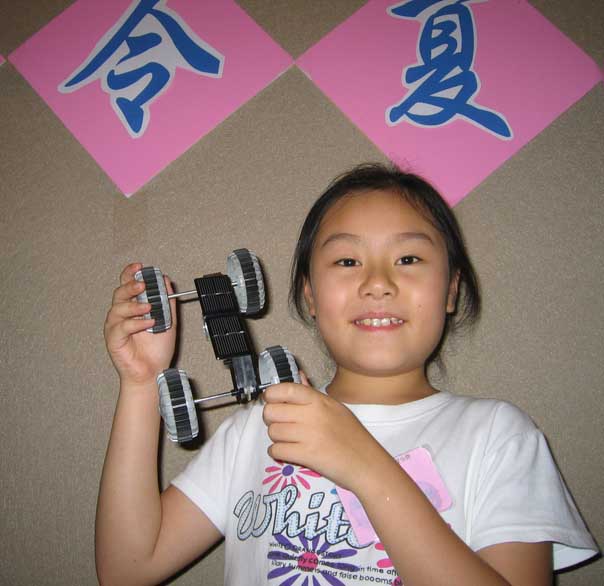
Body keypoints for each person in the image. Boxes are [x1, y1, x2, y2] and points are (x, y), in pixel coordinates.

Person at [98, 163, 598, 586]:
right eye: (347, 260)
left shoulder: (499, 435)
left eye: (408, 258)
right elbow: (128, 568)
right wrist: (141, 382)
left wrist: (363, 463)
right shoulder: (256, 430)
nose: (377, 283)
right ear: (310, 295)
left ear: (450, 290)